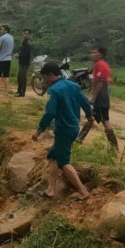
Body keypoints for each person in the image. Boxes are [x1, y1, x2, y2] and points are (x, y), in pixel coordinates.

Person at [31, 62, 93, 200]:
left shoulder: (54, 90)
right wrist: (89, 116)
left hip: (63, 129)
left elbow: (50, 113)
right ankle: (51, 189)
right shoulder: (73, 85)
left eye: (45, 77)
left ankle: (83, 191)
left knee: (63, 162)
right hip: (73, 127)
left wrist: (39, 131)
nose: (44, 81)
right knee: (53, 156)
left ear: (51, 75)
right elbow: (84, 101)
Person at [88, 47, 120, 152]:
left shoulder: (100, 65)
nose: (91, 54)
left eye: (94, 52)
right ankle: (79, 139)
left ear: (100, 55)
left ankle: (114, 146)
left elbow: (100, 82)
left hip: (101, 97)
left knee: (105, 121)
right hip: (101, 96)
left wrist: (93, 97)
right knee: (90, 117)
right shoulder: (98, 65)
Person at [0, 24, 14, 95]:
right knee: (6, 75)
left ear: (6, 30)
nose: (0, 31)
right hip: (8, 59)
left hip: (0, 59)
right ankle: (6, 91)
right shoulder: (11, 38)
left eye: (2, 29)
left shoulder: (2, 37)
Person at [15, 28, 32, 97]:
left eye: (26, 34)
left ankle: (22, 92)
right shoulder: (24, 42)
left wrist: (19, 56)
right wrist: (18, 54)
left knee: (22, 77)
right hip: (21, 62)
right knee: (19, 77)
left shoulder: (28, 43)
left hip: (25, 63)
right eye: (24, 33)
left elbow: (27, 54)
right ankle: (19, 91)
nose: (24, 35)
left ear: (29, 35)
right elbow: (22, 51)